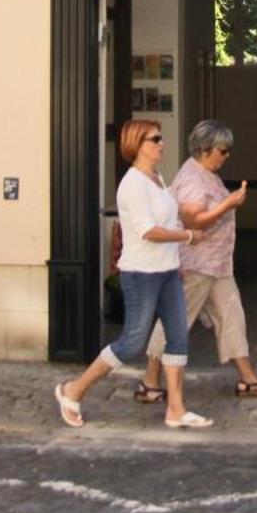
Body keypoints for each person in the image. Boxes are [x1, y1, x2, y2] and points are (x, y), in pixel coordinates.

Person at [53, 119, 213, 430]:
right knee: (131, 342)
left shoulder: (157, 178)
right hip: (141, 274)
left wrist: (177, 261)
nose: (161, 143)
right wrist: (189, 238)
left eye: (160, 138)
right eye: (155, 139)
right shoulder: (132, 184)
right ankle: (73, 391)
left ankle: (176, 410)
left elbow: (170, 220)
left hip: (167, 272)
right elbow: (148, 231)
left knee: (178, 338)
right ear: (137, 144)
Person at [140, 120, 257, 400]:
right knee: (175, 321)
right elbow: (194, 220)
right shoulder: (193, 178)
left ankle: (247, 379)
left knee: (231, 316)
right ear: (206, 149)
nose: (227, 155)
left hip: (216, 265)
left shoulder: (206, 173)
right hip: (197, 264)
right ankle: (150, 381)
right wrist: (229, 203)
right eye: (223, 150)